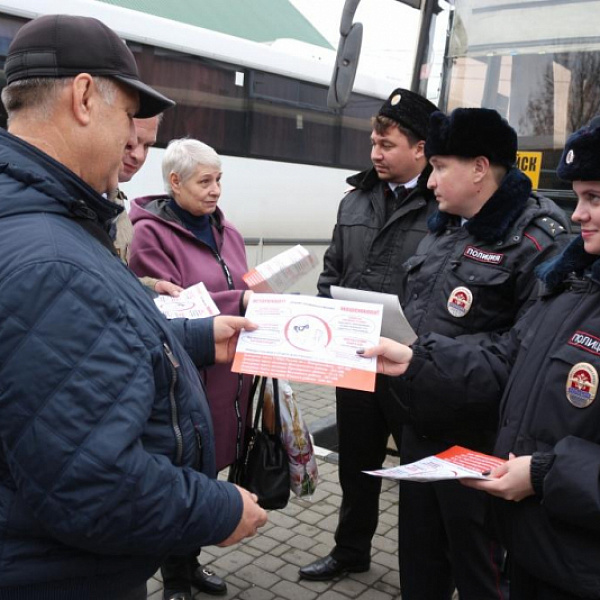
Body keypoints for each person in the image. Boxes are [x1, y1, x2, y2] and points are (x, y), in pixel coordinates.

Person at [0, 14, 267, 599]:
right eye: (128, 117)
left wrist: (195, 338)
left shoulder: (44, 219)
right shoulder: (52, 258)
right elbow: (90, 482)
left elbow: (70, 356)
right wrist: (217, 508)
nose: (132, 143)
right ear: (85, 96)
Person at [359, 116, 600, 600]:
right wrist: (416, 361)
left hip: (483, 441)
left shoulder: (539, 241)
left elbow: (518, 358)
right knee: (420, 563)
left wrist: (423, 359)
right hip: (424, 421)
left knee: (480, 572)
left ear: (479, 169)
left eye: (440, 167)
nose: (429, 182)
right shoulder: (444, 229)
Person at [299, 88, 439, 581]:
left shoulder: (443, 205)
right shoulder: (355, 199)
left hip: (410, 367)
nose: (376, 153)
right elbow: (332, 271)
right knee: (356, 466)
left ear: (421, 149)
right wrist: (328, 318)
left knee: (419, 474)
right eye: (373, 143)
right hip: (356, 360)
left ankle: (422, 573)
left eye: (388, 144)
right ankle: (350, 551)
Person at [128, 138, 253, 599]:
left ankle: (190, 563)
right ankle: (174, 579)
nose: (216, 190)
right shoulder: (150, 235)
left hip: (225, 377)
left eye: (219, 179)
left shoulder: (229, 231)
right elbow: (165, 306)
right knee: (179, 474)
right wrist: (238, 300)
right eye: (205, 181)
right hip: (184, 378)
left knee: (207, 472)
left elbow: (241, 280)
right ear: (174, 181)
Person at [110, 114, 182, 296]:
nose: (139, 156)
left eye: (148, 145)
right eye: (129, 144)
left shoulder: (114, 197)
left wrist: (151, 286)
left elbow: (111, 278)